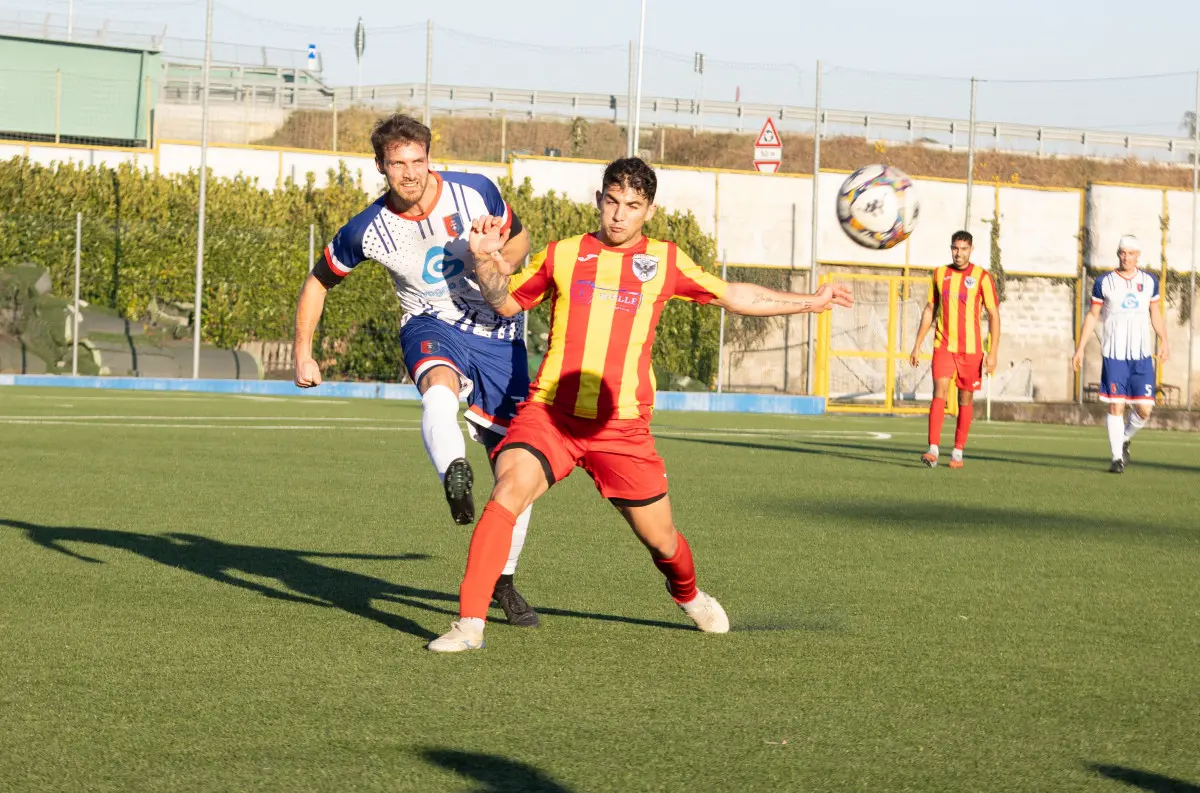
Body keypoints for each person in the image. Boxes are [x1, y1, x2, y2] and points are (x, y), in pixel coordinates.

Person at [425, 156, 854, 652]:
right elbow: (505, 302)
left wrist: (812, 301)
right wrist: (484, 261)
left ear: (649, 211)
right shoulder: (563, 254)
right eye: (612, 201)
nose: (619, 214)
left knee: (663, 541)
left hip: (621, 428)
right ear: (599, 200)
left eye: (632, 205)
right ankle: (470, 623)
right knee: (506, 493)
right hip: (551, 415)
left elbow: (734, 295)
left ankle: (689, 594)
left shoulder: (665, 261)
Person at [292, 114, 539, 626]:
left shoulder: (475, 191)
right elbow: (317, 282)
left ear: (430, 158)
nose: (410, 172)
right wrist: (303, 352)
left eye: (417, 160)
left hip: (499, 333)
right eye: (397, 163)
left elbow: (521, 238)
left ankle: (504, 580)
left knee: (517, 468)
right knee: (438, 388)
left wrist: (500, 262)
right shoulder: (367, 229)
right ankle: (453, 471)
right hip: (430, 322)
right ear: (380, 166)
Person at [1071, 235, 1169, 473]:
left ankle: (1123, 438)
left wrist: (1164, 340)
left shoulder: (1149, 281)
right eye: (1122, 253)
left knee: (1145, 409)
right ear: (1118, 254)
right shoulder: (1104, 282)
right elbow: (1093, 315)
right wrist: (1080, 348)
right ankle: (1116, 458)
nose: (1126, 257)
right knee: (1116, 405)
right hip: (1114, 355)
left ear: (1138, 256)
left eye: (1130, 253)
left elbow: (1155, 313)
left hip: (1141, 355)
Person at [908, 230, 1001, 469]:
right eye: (955, 248)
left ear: (971, 249)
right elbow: (930, 309)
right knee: (939, 390)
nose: (958, 253)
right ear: (951, 248)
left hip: (971, 350)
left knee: (965, 398)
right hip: (944, 345)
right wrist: (917, 344)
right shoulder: (940, 274)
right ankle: (933, 449)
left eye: (963, 249)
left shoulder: (982, 277)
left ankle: (958, 451)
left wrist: (993, 352)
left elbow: (994, 315)